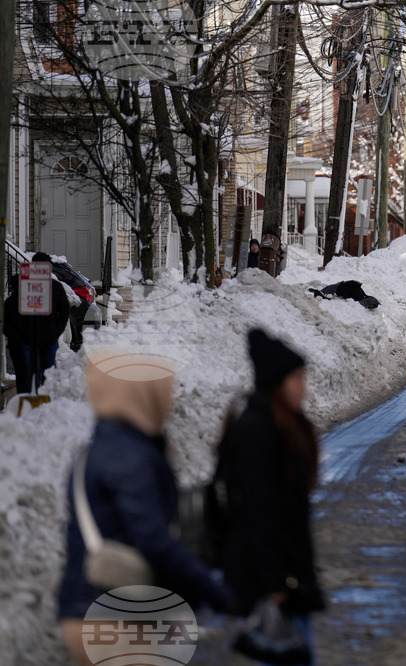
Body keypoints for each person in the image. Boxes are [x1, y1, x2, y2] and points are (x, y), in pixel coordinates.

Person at [58, 355, 234, 664]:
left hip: (92, 607)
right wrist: (218, 593)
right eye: (162, 389)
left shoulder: (101, 447)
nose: (169, 398)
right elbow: (153, 541)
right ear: (140, 395)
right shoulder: (128, 456)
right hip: (118, 619)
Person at [218, 329, 324, 662]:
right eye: (298, 380)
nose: (304, 390)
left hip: (287, 576)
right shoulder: (257, 431)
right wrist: (273, 584)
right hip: (272, 582)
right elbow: (257, 512)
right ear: (277, 383)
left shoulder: (280, 424)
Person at [2, 251, 71, 393]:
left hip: (48, 340)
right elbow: (7, 314)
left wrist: (56, 331)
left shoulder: (55, 287)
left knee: (48, 375)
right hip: (26, 341)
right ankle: (31, 402)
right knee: (29, 377)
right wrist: (19, 334)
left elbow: (64, 310)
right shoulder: (23, 286)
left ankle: (44, 404)